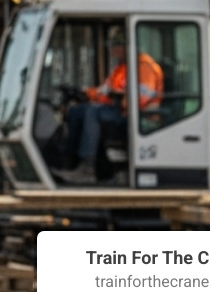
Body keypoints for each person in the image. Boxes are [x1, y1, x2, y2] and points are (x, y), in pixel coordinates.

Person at [63, 33, 163, 184]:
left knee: (93, 113)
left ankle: (88, 167)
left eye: (113, 45)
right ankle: (70, 160)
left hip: (136, 116)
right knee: (78, 111)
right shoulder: (121, 69)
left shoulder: (144, 67)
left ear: (124, 47)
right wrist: (85, 93)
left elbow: (141, 99)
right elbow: (104, 90)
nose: (110, 49)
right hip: (118, 109)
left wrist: (119, 97)